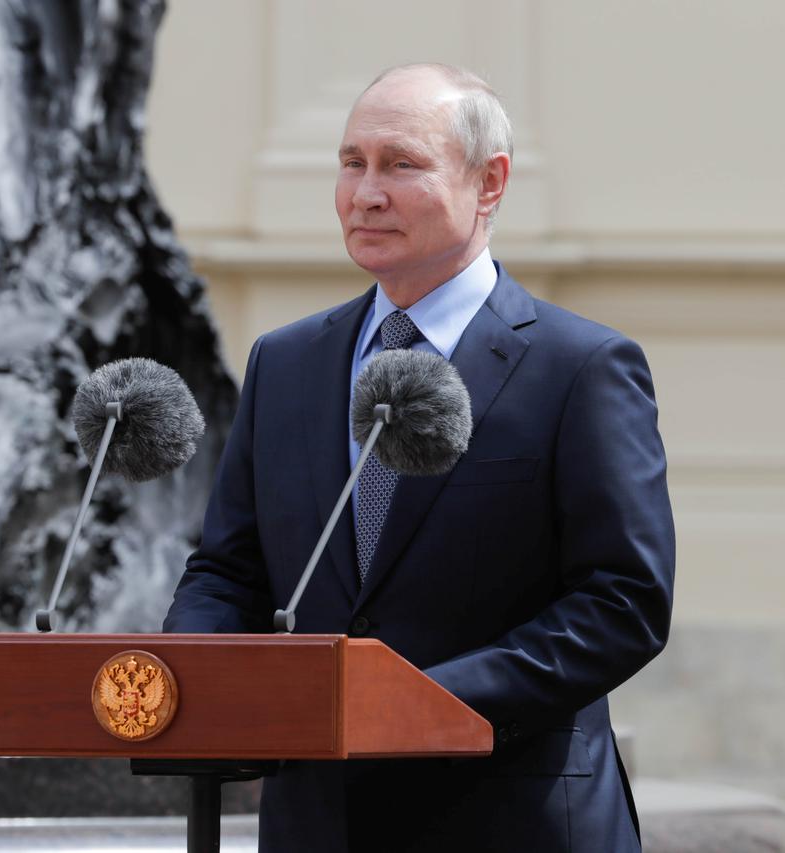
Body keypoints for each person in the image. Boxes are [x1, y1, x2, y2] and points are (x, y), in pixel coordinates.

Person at [163, 63, 674, 853]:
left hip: (510, 820)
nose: (366, 192)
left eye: (401, 164)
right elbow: (230, 569)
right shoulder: (286, 362)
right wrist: (195, 680)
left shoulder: (581, 367)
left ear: (489, 182)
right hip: (318, 824)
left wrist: (414, 703)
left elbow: (622, 602)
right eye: (351, 163)